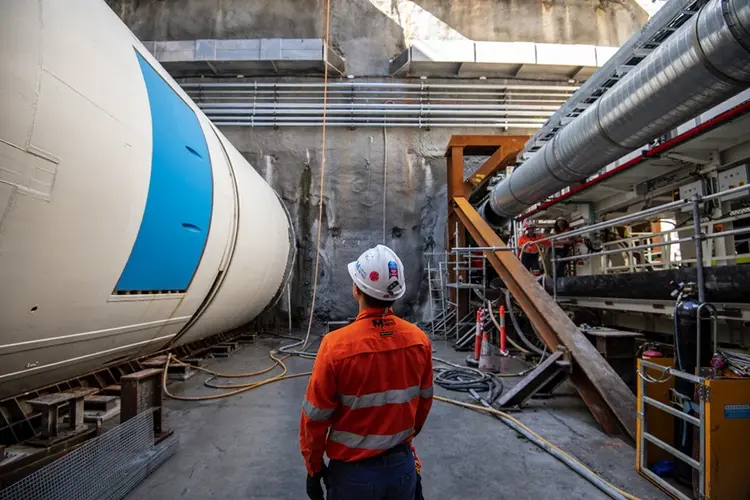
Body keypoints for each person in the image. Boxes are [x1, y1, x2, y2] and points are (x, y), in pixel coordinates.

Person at [300, 244, 434, 500]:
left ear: (356, 289)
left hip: (353, 476)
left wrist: (313, 468)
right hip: (401, 468)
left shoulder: (335, 346)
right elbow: (424, 403)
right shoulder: (419, 340)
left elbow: (314, 418)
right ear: (397, 293)